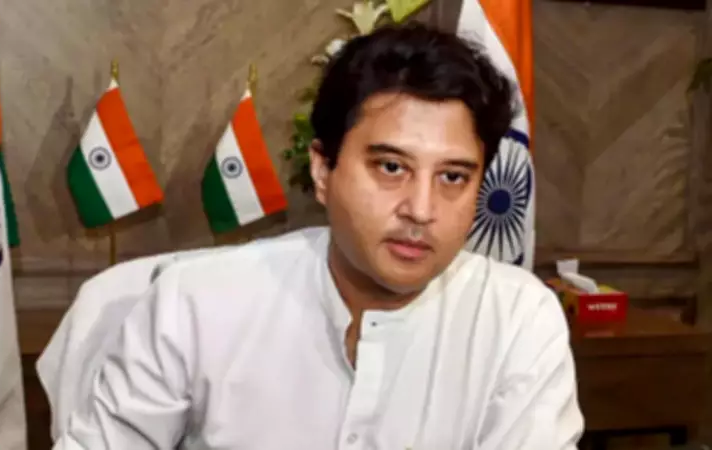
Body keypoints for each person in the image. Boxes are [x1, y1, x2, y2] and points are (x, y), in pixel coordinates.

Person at [54, 23, 584, 449]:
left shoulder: (518, 320)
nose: (422, 210)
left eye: (452, 177)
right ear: (323, 169)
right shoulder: (195, 303)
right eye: (391, 167)